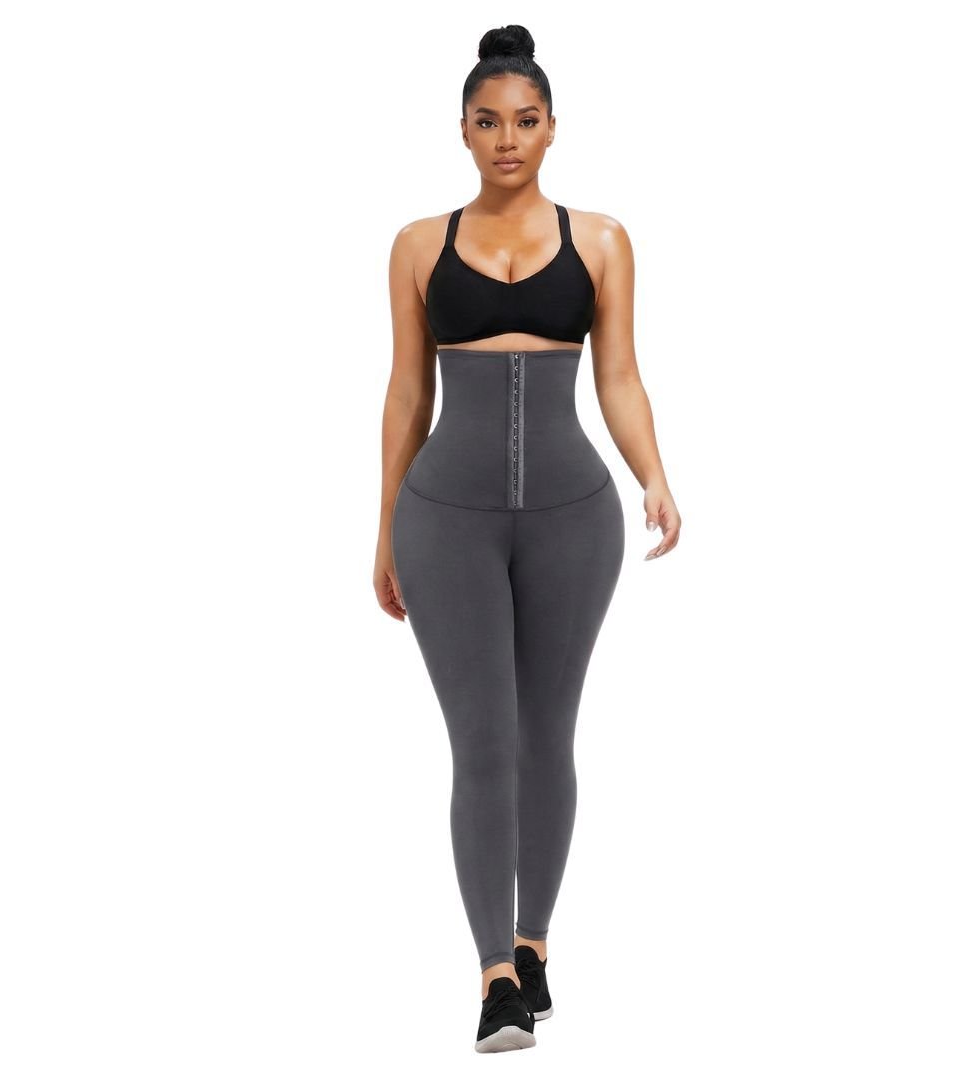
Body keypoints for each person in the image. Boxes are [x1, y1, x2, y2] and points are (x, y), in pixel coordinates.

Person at [373, 23, 681, 1053]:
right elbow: (407, 392)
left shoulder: (603, 241)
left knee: (548, 734)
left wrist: (654, 476)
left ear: (552, 129)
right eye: (488, 121)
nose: (507, 138)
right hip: (443, 521)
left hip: (571, 520)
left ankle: (534, 944)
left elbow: (620, 377)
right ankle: (495, 979)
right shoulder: (418, 244)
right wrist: (383, 528)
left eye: (526, 120)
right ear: (462, 130)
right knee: (484, 743)